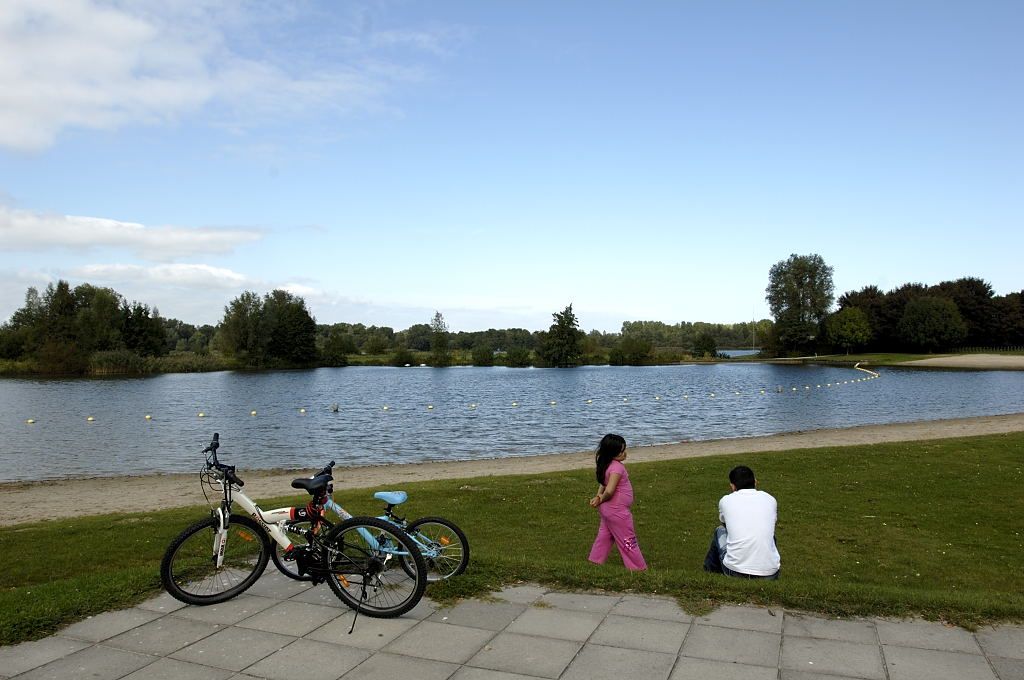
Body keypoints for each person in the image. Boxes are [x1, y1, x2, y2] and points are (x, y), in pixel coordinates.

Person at [703, 465, 780, 579]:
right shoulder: (770, 499)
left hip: (735, 571)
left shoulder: (726, 500)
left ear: (732, 486)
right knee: (768, 534)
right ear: (755, 482)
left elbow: (725, 524)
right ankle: (764, 564)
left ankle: (711, 573)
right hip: (771, 574)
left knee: (720, 531)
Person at [588, 434, 647, 571]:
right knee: (628, 540)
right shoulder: (617, 468)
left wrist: (598, 497)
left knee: (604, 537)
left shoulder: (607, 465)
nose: (624, 453)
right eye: (621, 451)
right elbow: (609, 490)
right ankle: (638, 569)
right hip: (617, 512)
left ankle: (595, 562)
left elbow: (603, 484)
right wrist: (600, 498)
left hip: (608, 511)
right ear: (611, 453)